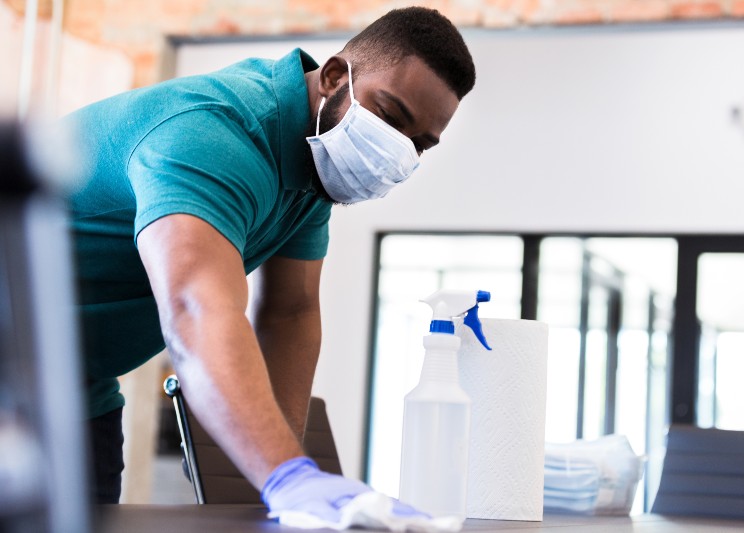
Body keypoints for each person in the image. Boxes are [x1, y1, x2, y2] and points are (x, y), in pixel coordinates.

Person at [65, 5, 475, 520]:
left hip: (77, 387)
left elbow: (292, 312)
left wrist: (285, 490)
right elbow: (195, 308)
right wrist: (287, 476)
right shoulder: (212, 136)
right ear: (332, 77)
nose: (398, 150)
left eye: (420, 145)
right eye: (390, 117)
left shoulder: (309, 169)